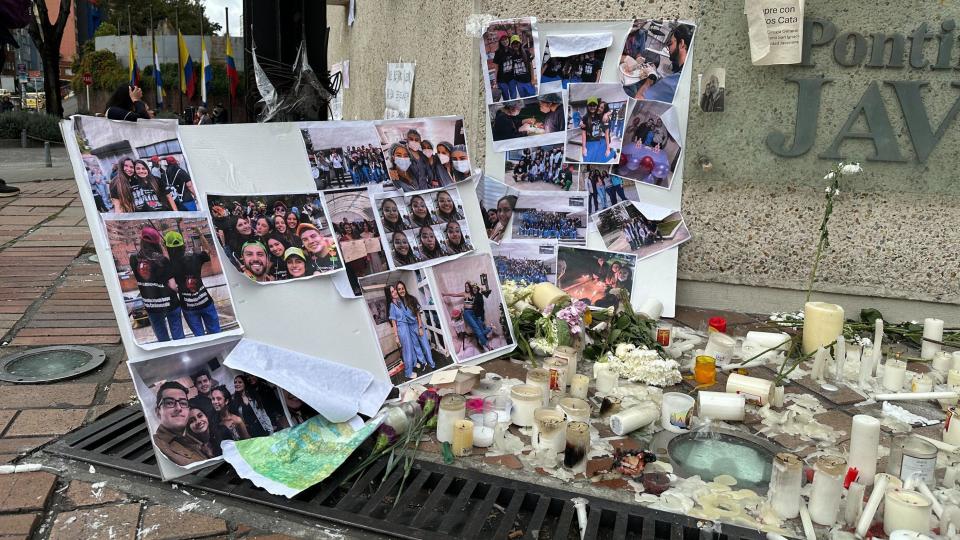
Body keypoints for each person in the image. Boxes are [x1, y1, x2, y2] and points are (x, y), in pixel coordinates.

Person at [131, 226, 184, 342]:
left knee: (162, 337)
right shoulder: (162, 260)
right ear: (157, 243)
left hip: (151, 305)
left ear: (141, 240)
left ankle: (169, 357)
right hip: (170, 303)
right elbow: (173, 286)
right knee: (178, 336)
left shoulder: (133, 259)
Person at [163, 231, 221, 337]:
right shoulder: (195, 257)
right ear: (183, 245)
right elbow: (210, 251)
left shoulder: (169, 265)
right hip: (205, 302)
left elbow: (171, 285)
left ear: (168, 248)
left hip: (188, 307)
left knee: (199, 337)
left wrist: (165, 248)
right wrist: (200, 233)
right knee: (216, 333)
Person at [387, 281, 435, 379]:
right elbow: (394, 321)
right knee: (416, 347)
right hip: (407, 329)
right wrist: (397, 336)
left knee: (425, 346)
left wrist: (420, 327)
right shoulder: (396, 304)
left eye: (401, 288)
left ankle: (432, 364)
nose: (399, 291)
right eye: (398, 289)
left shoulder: (410, 299)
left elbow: (418, 314)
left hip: (417, 326)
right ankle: (423, 362)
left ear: (405, 288)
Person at [152, 381, 208, 466]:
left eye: (183, 403)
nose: (178, 408)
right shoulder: (158, 446)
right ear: (158, 412)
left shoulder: (193, 438)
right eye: (169, 402)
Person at [636, 24, 692, 102]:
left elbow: (638, 101)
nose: (668, 48)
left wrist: (649, 81)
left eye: (670, 43)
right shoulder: (688, 72)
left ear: (682, 44)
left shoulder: (675, 81)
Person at [442, 282, 493, 353]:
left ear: (470, 287)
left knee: (479, 329)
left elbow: (482, 294)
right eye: (465, 286)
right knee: (477, 329)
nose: (467, 288)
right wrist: (445, 294)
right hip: (467, 313)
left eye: (468, 286)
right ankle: (488, 346)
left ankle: (484, 337)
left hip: (474, 313)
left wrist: (481, 289)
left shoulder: (474, 294)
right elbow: (455, 295)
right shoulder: (464, 293)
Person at [110, 158, 175, 213]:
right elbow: (118, 206)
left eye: (143, 168)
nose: (141, 171)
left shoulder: (157, 180)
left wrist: (176, 213)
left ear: (147, 169)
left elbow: (169, 197)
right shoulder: (127, 183)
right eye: (138, 169)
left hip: (162, 212)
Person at [580, 97, 614, 163]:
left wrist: (606, 114)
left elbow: (610, 111)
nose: (592, 107)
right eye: (590, 105)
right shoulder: (586, 117)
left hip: (602, 140)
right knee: (587, 159)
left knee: (599, 159)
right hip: (591, 141)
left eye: (594, 105)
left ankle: (612, 153)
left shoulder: (602, 116)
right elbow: (583, 134)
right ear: (587, 106)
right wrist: (584, 148)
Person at [491, 32, 515, 101]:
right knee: (506, 97)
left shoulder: (512, 50)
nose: (505, 41)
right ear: (500, 42)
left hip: (512, 78)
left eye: (506, 39)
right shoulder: (498, 52)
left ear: (508, 39)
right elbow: (496, 67)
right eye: (502, 40)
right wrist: (495, 80)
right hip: (501, 79)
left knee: (513, 95)